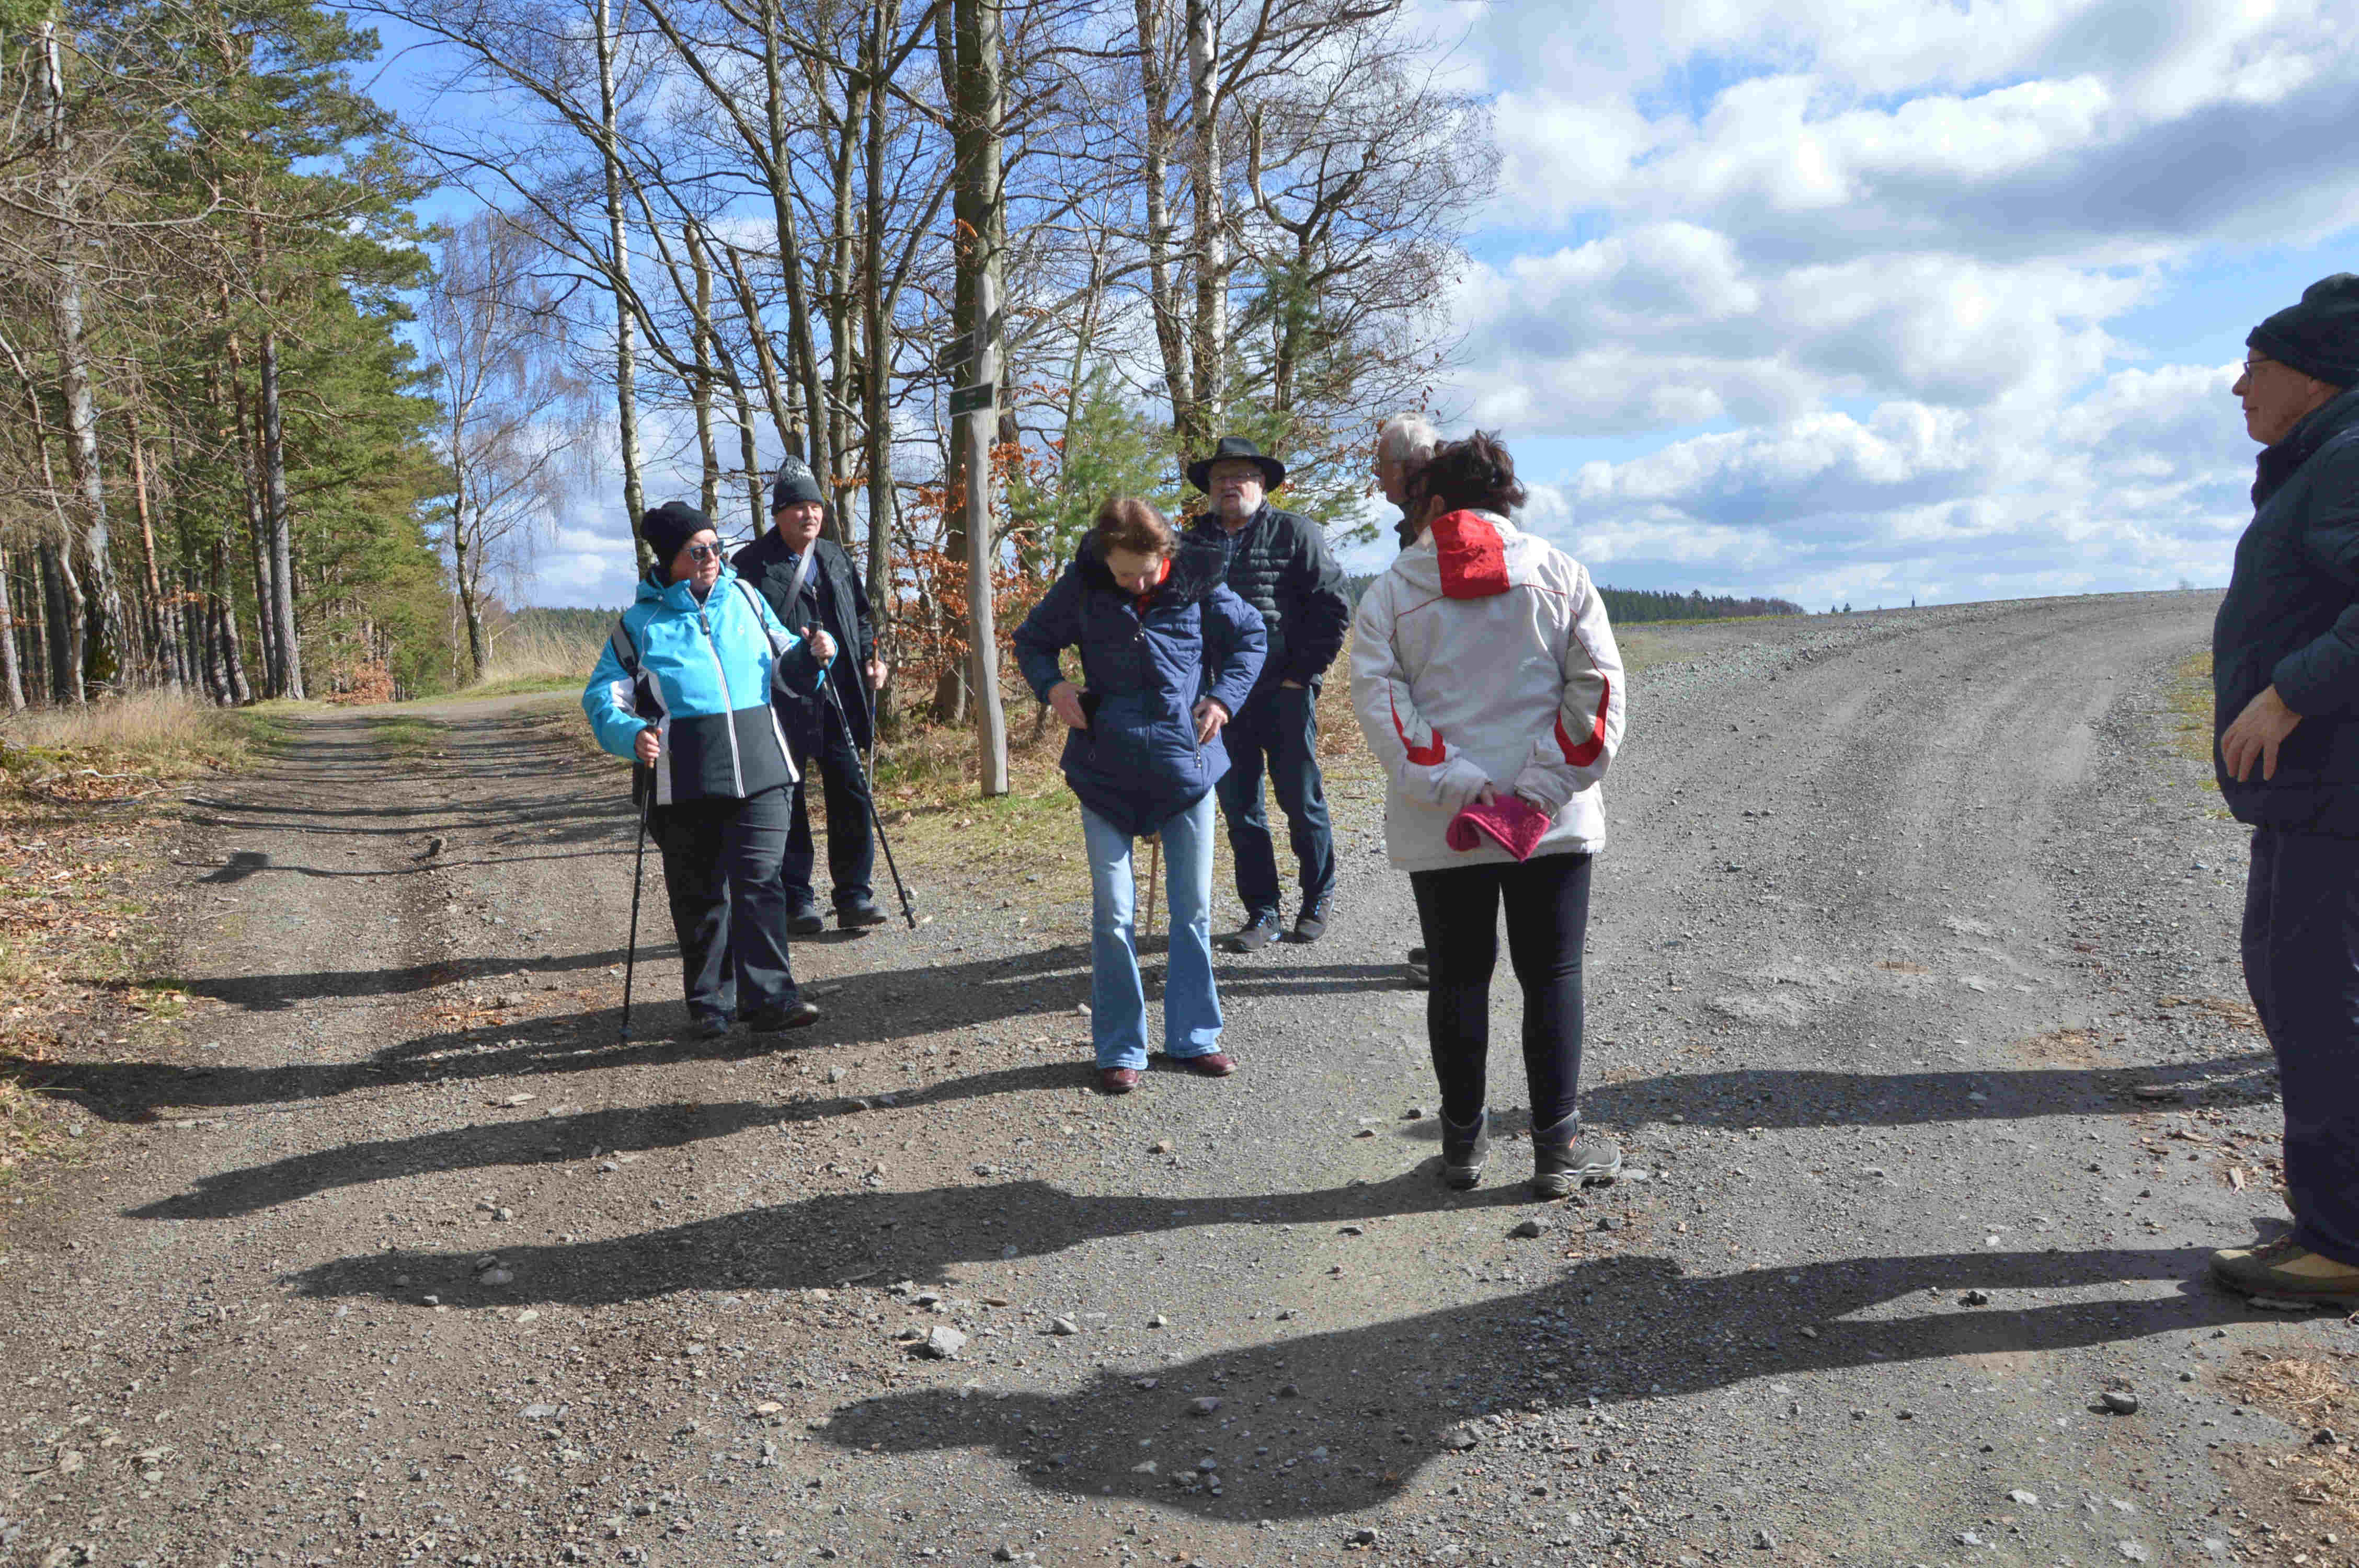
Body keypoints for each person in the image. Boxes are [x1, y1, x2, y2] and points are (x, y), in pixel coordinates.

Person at [1349, 432, 1628, 1198]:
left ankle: (1462, 1148)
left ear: (1436, 501)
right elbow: (1599, 693)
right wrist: (1537, 789)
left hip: (1445, 823)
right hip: (1552, 821)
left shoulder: (1392, 592)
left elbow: (1382, 705)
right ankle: (1556, 1151)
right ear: (1508, 498)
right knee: (1552, 975)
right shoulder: (1562, 574)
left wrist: (1462, 787)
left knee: (1459, 978)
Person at [2207, 273, 2359, 1304]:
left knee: (2314, 998)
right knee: (2295, 984)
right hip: (2317, 789)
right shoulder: (2328, 455)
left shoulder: (2347, 459)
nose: (2239, 388)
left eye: (2255, 365)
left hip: (2335, 784)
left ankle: (2341, 1241)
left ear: (2316, 372)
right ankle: (2336, 1215)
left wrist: (2287, 694)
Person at [1013, 498, 1267, 1094]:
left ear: (1166, 553)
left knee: (1193, 910)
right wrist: (1054, 689)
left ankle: (1194, 1037)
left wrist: (1224, 699)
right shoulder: (1083, 585)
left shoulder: (1200, 581)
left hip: (1188, 768)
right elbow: (1032, 642)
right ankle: (1120, 1048)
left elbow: (1251, 637)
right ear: (1105, 558)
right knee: (1114, 915)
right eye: (1125, 574)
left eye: (1148, 571)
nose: (1139, 584)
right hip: (1104, 769)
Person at [583, 501, 837, 1039]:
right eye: (697, 552)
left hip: (763, 767)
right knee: (700, 896)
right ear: (670, 560)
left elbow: (785, 665)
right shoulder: (639, 625)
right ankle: (710, 1002)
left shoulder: (745, 598)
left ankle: (771, 999)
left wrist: (813, 656)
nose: (711, 559)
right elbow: (604, 699)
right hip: (683, 782)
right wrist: (630, 735)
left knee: (761, 882)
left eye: (716, 548)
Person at [1184, 436, 1351, 949]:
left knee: (1300, 801)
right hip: (1218, 702)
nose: (1229, 485)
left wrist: (1303, 675)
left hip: (1284, 692)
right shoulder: (1192, 543)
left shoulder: (1297, 533)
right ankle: (1263, 912)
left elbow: (1333, 607)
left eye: (1240, 476)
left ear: (1262, 484)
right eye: (1220, 478)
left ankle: (1317, 898)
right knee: (1241, 811)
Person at [734, 458, 890, 933]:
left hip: (841, 697)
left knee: (851, 792)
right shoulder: (749, 565)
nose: (810, 514)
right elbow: (741, 635)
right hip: (782, 702)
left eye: (816, 506)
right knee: (790, 800)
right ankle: (796, 901)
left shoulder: (835, 557)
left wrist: (873, 660)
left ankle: (854, 896)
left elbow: (861, 617)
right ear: (779, 513)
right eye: (799, 507)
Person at [1375, 412, 1442, 989]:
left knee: (1435, 816)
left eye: (1382, 466)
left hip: (1444, 693)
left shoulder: (1436, 516)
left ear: (1407, 465)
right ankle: (1448, 943)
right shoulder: (1414, 519)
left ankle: (1451, 952)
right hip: (1431, 686)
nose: (1377, 478)